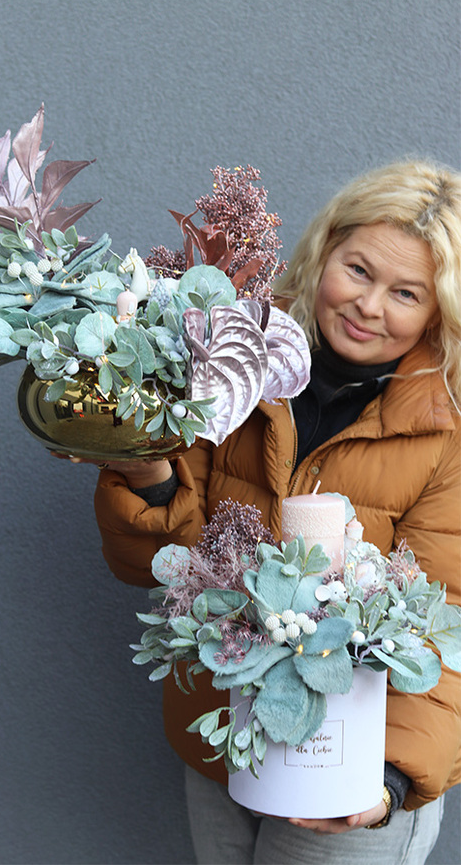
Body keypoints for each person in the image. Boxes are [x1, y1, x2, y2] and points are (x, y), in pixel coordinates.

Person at [86, 160, 461, 864]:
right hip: (224, 734)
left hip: (352, 764)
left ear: (439, 309)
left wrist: (388, 777)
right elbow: (157, 568)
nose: (369, 305)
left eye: (406, 293)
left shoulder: (448, 432)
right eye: (358, 270)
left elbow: (448, 620)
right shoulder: (229, 357)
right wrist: (146, 472)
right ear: (324, 249)